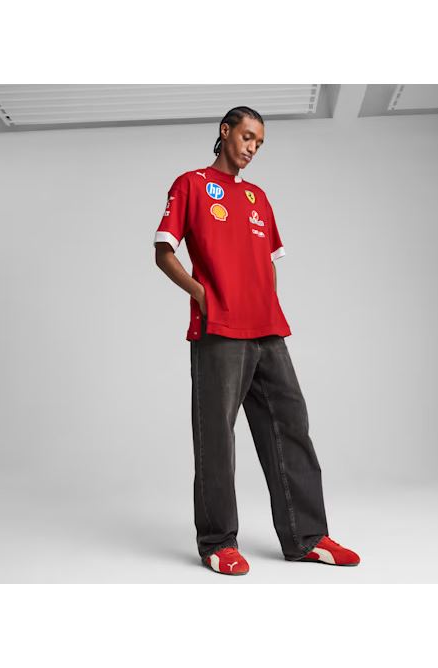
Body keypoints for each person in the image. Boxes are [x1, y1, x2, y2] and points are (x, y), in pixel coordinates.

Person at [154, 106, 360, 575]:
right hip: (220, 330)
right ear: (225, 131)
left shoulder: (258, 197)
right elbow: (163, 251)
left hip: (268, 329)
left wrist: (267, 301)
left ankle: (307, 537)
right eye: (247, 136)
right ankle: (217, 543)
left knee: (291, 428)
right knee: (217, 437)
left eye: (260, 143)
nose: (252, 148)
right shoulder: (191, 184)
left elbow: (267, 260)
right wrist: (201, 295)